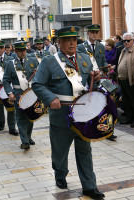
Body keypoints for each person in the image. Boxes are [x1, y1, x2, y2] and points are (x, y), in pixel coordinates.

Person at [32, 26, 104, 199]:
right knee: (60, 151)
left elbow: (90, 85)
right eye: (67, 40)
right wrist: (50, 98)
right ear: (59, 42)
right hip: (61, 114)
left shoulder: (86, 59)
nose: (72, 43)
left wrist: (97, 78)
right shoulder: (50, 62)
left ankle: (89, 186)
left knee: (85, 150)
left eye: (74, 39)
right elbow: (37, 84)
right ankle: (60, 174)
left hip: (83, 114)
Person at [3, 41, 39, 150]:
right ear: (16, 51)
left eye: (24, 50)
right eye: (20, 51)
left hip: (31, 93)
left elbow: (40, 76)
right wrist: (10, 93)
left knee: (30, 116)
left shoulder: (33, 60)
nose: (23, 53)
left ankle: (28, 137)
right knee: (20, 117)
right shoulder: (10, 63)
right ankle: (24, 141)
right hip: (18, 94)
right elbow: (6, 80)